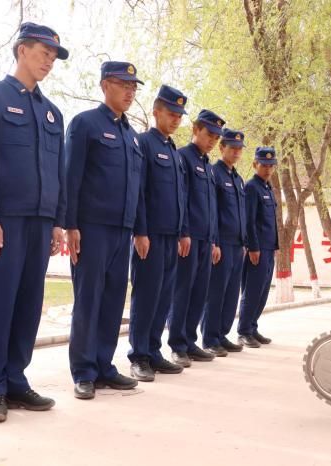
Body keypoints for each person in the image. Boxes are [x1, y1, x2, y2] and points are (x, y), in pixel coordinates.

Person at [0, 22, 69, 423]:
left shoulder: (52, 113)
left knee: (28, 305)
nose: (49, 62)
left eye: (54, 57)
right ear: (22, 50)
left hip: (41, 224)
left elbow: (58, 172)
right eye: (44, 53)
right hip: (4, 222)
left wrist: (58, 222)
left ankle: (16, 381)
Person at [64, 62, 149, 400]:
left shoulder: (131, 136)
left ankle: (104, 366)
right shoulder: (85, 124)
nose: (130, 92)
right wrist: (70, 224)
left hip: (122, 231)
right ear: (104, 86)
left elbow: (138, 189)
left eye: (133, 87)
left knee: (113, 301)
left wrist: (140, 229)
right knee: (89, 300)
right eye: (123, 85)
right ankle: (84, 372)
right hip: (91, 229)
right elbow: (71, 177)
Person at [128, 85, 188, 381]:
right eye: (171, 113)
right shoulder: (143, 143)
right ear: (156, 112)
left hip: (171, 236)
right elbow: (138, 192)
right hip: (149, 236)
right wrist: (140, 231)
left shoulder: (174, 151)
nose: (176, 119)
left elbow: (180, 196)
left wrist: (183, 231)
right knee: (146, 297)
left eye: (179, 115)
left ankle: (153, 351)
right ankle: (138, 355)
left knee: (164, 297)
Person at [167, 110, 224, 367]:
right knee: (182, 291)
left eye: (216, 137)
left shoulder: (208, 166)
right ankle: (177, 345)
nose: (212, 140)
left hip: (206, 240)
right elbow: (181, 199)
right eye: (208, 134)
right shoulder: (183, 158)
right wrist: (184, 232)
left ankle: (190, 341)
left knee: (199, 292)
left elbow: (212, 207)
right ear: (195, 130)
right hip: (189, 238)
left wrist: (214, 240)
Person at [202, 129, 247, 356]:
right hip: (222, 244)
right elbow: (213, 212)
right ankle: (210, 338)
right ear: (222, 148)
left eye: (239, 149)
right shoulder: (214, 173)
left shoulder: (238, 179)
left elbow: (241, 214)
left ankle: (221, 334)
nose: (236, 152)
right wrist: (215, 242)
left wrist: (245, 242)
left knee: (231, 293)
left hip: (237, 245)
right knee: (216, 293)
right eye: (232, 148)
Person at [237, 147, 279, 348]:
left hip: (269, 248)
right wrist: (253, 247)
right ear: (255, 164)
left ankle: (252, 327)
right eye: (264, 165)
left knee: (262, 292)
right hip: (258, 249)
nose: (268, 169)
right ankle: (244, 331)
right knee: (252, 291)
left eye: (271, 166)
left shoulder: (267, 188)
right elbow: (249, 220)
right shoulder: (252, 187)